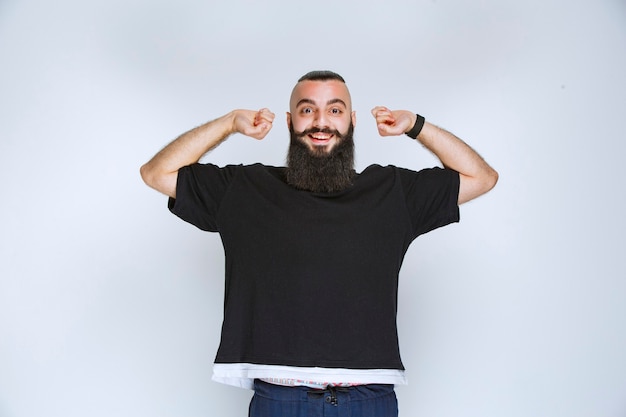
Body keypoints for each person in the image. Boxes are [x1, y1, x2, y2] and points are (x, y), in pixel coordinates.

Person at [140, 70, 498, 417]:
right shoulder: (245, 187)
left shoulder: (393, 192)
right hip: (279, 401)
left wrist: (416, 126)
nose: (321, 122)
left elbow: (481, 177)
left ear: (352, 120)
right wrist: (231, 122)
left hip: (368, 399)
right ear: (290, 121)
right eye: (307, 109)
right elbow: (157, 173)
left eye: (335, 110)